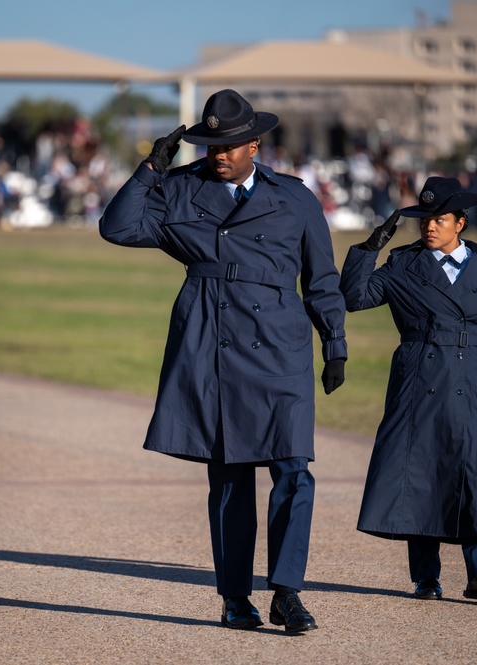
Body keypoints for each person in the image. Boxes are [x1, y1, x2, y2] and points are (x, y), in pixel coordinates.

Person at [100, 89, 347, 632]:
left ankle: (286, 592)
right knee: (231, 482)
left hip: (281, 347)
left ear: (254, 143)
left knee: (293, 472)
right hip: (214, 346)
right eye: (210, 143)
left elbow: (323, 280)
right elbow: (116, 227)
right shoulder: (180, 189)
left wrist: (334, 343)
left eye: (229, 144)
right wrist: (149, 169)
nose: (218, 153)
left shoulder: (296, 198)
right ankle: (236, 599)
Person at [339, 176, 477, 602]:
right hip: (420, 380)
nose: (429, 227)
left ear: (460, 222)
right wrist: (369, 248)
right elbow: (354, 297)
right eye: (424, 220)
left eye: (439, 220)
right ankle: (426, 577)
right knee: (421, 474)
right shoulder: (402, 265)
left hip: (475, 382)